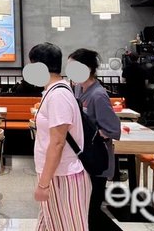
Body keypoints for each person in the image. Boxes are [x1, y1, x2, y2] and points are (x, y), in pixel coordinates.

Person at [31, 42, 91, 231]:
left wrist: (43, 184)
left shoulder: (58, 96)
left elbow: (57, 142)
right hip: (55, 173)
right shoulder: (53, 91)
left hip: (63, 176)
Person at [71, 49, 122, 230]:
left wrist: (91, 133)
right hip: (84, 160)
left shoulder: (98, 95)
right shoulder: (78, 89)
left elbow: (113, 129)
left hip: (97, 161)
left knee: (91, 212)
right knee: (86, 212)